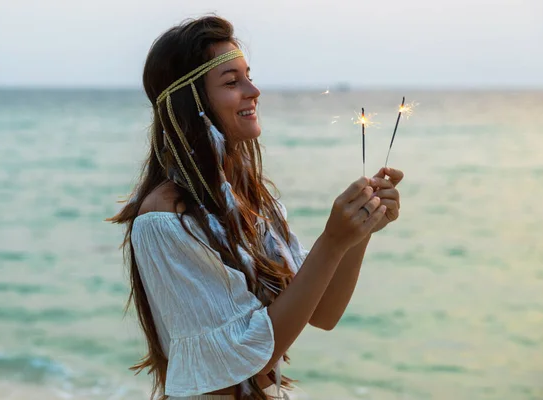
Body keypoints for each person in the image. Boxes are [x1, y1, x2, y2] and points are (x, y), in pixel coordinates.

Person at [108, 15, 404, 400]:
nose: (254, 90)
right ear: (190, 102)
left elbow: (323, 314)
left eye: (249, 76)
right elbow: (250, 359)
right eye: (232, 82)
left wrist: (357, 232)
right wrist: (331, 240)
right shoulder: (165, 219)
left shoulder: (252, 199)